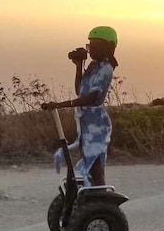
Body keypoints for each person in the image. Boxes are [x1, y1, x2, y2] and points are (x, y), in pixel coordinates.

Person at [41, 26, 119, 186]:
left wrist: (62, 105)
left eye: (94, 46)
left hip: (96, 123)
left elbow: (92, 98)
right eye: (90, 45)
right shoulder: (93, 66)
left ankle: (100, 199)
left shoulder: (106, 69)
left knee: (95, 164)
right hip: (86, 121)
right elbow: (81, 91)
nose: (90, 50)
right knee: (89, 164)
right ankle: (94, 195)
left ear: (107, 47)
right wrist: (78, 66)